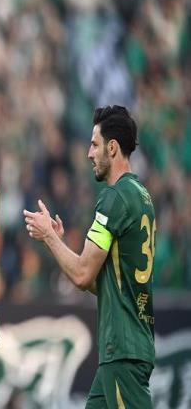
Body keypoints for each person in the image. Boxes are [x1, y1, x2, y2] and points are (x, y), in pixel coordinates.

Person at [24, 105, 155, 408]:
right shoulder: (141, 196)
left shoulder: (114, 198)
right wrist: (56, 241)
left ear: (112, 147)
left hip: (123, 349)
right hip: (127, 347)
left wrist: (48, 236)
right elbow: (104, 281)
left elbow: (83, 275)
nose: (89, 153)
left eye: (95, 144)